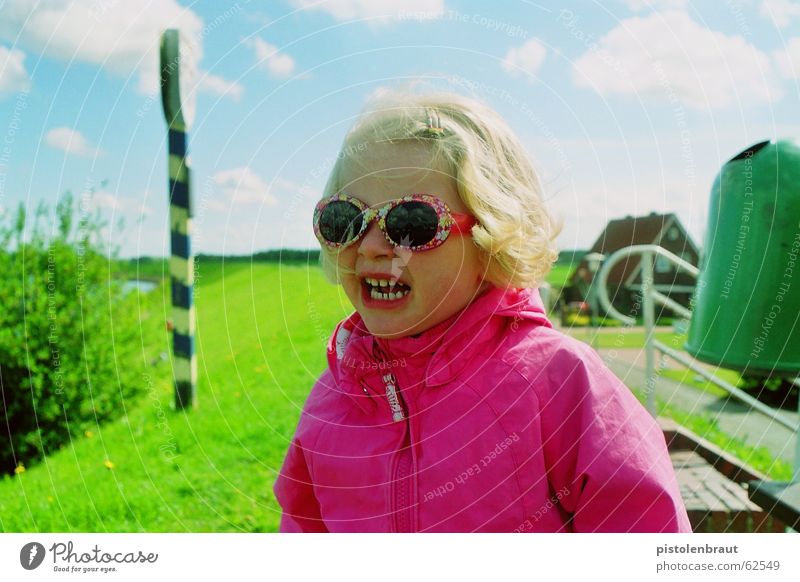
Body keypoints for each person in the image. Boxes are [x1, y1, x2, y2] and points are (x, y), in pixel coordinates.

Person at [273, 90, 692, 533]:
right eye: (345, 220)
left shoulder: (558, 381)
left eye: (412, 223)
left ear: (492, 237)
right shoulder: (335, 399)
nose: (373, 247)